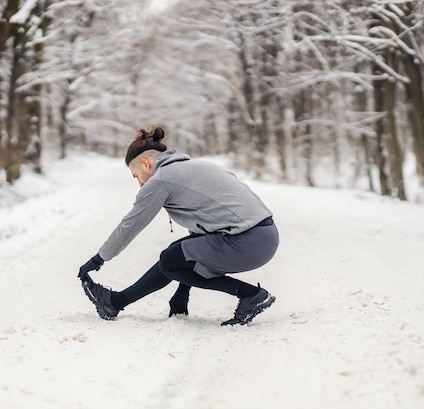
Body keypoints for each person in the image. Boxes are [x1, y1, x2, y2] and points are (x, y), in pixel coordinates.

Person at [77, 126, 279, 326]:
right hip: (264, 237)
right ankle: (115, 302)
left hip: (247, 242)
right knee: (175, 254)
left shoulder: (162, 180)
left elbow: (131, 224)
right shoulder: (193, 168)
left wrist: (99, 258)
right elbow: (196, 242)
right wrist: (183, 291)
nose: (139, 184)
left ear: (146, 163)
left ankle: (251, 295)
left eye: (136, 176)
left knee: (171, 260)